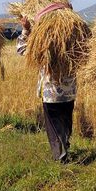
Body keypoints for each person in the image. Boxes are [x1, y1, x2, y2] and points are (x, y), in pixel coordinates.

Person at [17, 10, 76, 163]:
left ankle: (60, 155)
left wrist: (26, 29)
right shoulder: (73, 39)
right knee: (66, 120)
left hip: (51, 94)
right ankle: (65, 142)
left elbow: (22, 49)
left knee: (53, 125)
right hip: (69, 92)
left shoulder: (43, 44)